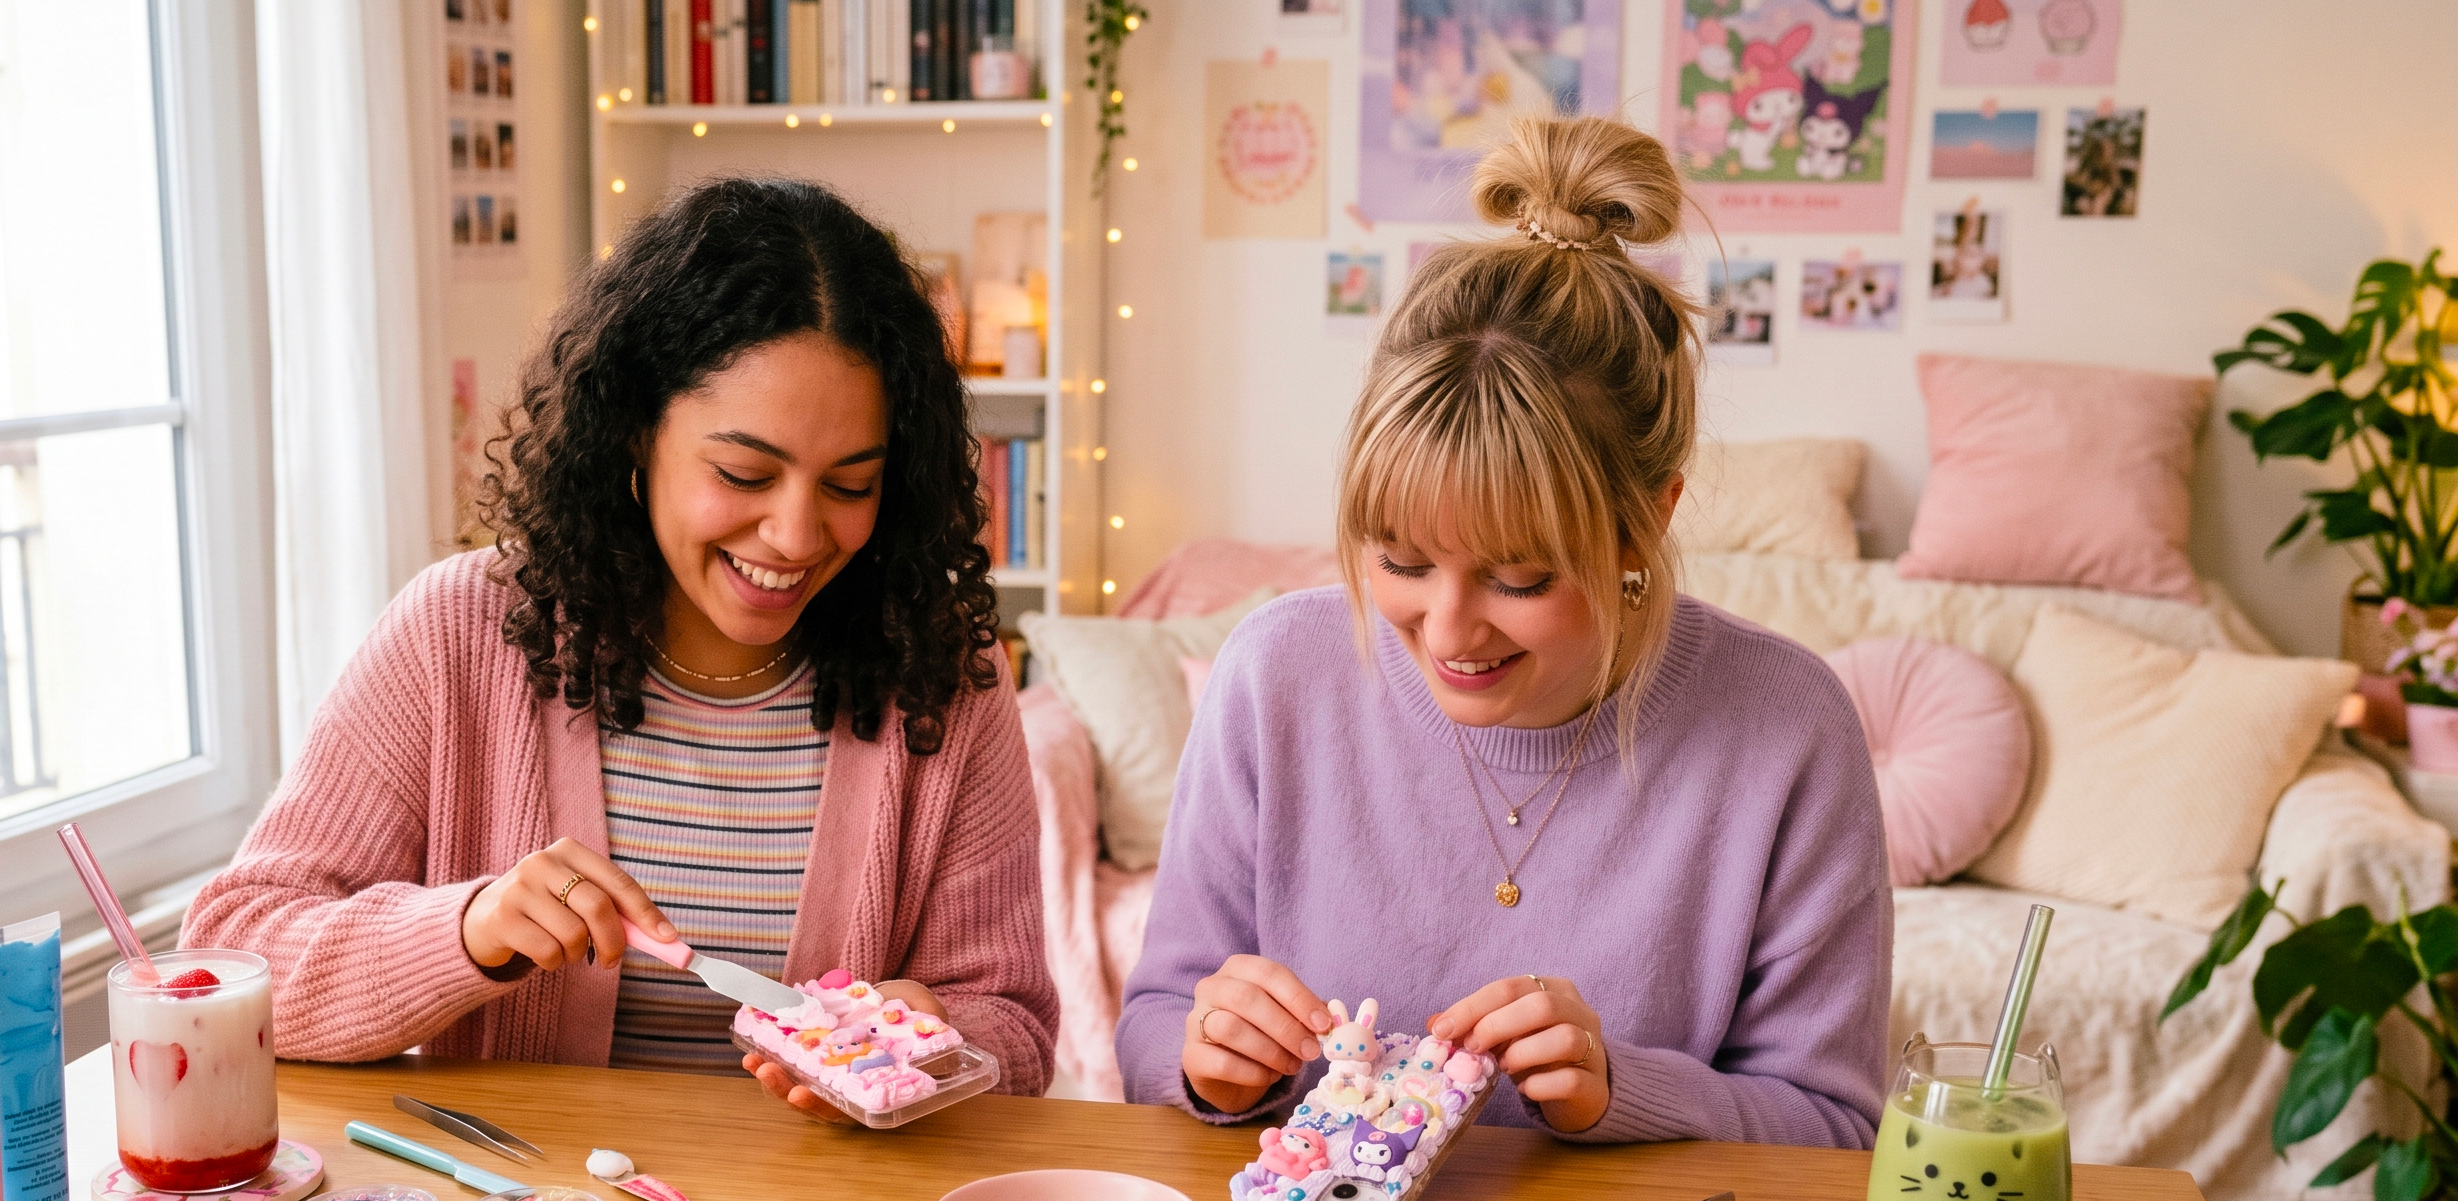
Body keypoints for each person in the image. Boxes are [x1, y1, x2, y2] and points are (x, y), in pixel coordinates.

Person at [187, 177, 1056, 1118]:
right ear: (636, 432)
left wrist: (937, 1036)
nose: (798, 536)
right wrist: (467, 929)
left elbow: (1013, 1022)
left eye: (851, 485)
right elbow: (235, 953)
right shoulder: (460, 634)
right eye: (743, 473)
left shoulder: (944, 675)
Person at [1114, 116, 1889, 1148]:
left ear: (1644, 519)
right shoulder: (1273, 675)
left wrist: (1622, 1089)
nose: (1444, 630)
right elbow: (1150, 1030)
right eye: (1396, 561)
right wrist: (1207, 1062)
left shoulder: (1786, 727)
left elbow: (1835, 1126)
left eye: (1517, 576)